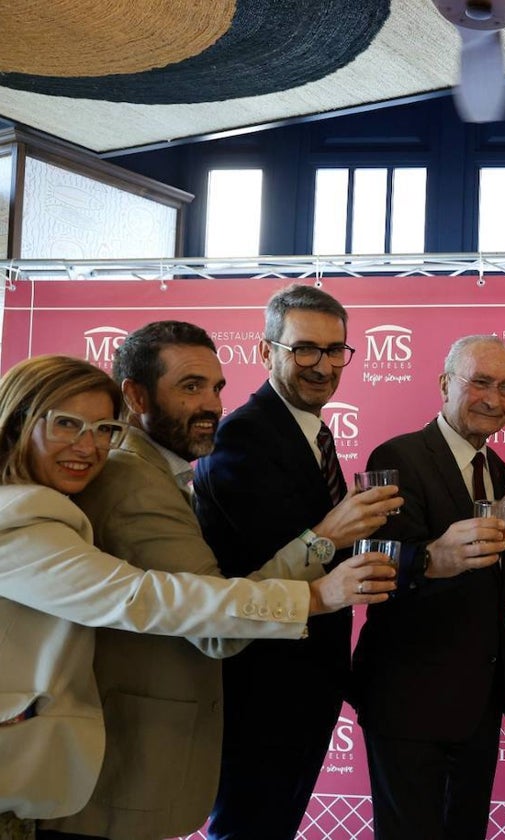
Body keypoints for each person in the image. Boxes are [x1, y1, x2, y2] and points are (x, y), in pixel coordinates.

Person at [0, 354, 393, 838]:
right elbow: (144, 597)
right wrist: (313, 594)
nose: (90, 446)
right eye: (66, 424)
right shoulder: (23, 515)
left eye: (103, 428)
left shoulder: (71, 494)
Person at [350, 335, 505, 840]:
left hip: (478, 703)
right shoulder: (397, 455)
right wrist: (441, 553)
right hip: (410, 699)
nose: (494, 398)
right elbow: (380, 568)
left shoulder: (497, 467)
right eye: (480, 382)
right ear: (445, 384)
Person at [193, 284, 368, 840]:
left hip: (307, 677)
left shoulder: (309, 429)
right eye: (305, 349)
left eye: (335, 350)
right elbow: (272, 562)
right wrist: (333, 532)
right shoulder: (244, 434)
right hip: (262, 682)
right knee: (249, 825)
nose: (323, 365)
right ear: (266, 352)